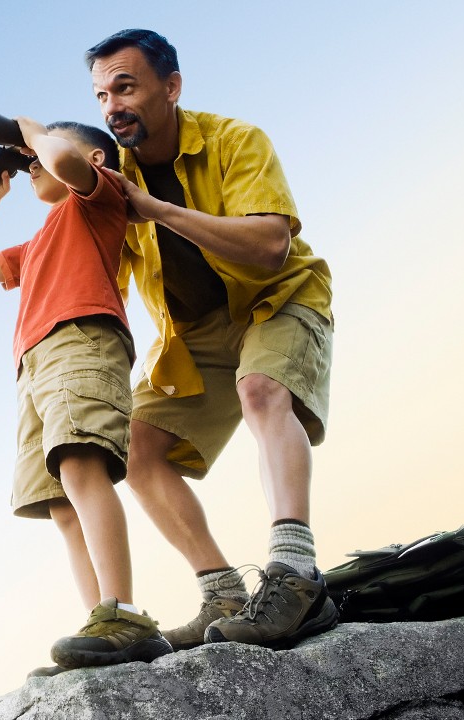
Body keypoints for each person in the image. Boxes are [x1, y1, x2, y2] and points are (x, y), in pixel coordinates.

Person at [83, 29, 337, 649]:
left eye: (126, 86)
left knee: (261, 392)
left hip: (276, 300)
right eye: (100, 94)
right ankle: (221, 592)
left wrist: (161, 210)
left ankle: (296, 577)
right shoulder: (113, 174)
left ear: (171, 87)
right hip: (195, 333)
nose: (112, 105)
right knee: (136, 451)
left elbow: (270, 246)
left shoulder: (235, 140)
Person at [0, 115, 173, 673]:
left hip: (82, 339)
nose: (31, 164)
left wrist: (29, 130)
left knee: (80, 466)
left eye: (38, 155)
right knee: (61, 504)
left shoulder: (96, 202)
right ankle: (102, 623)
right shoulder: (40, 240)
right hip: (33, 365)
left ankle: (124, 611)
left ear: (94, 161)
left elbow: (65, 163)